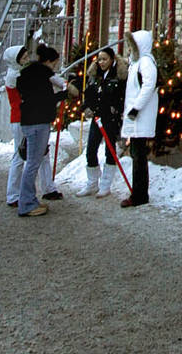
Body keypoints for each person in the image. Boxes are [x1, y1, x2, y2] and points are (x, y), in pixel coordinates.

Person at [16, 43, 69, 217]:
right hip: (38, 122)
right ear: (48, 61)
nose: (55, 68)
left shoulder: (28, 73)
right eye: (54, 64)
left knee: (32, 163)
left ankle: (30, 199)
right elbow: (46, 100)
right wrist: (63, 95)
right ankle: (26, 203)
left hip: (29, 121)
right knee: (32, 163)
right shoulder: (41, 76)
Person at [79, 46, 126, 198]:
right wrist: (86, 108)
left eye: (105, 59)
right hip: (97, 118)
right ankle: (92, 183)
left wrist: (116, 110)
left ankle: (105, 184)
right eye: (99, 59)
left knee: (109, 150)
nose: (101, 62)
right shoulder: (95, 75)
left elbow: (122, 97)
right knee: (91, 149)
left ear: (112, 60)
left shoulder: (118, 76)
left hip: (110, 119)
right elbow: (88, 95)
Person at [120, 29, 158, 209]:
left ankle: (140, 194)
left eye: (131, 45)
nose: (128, 49)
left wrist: (136, 108)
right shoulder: (136, 63)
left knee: (139, 156)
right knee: (136, 154)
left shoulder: (146, 63)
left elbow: (148, 86)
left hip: (140, 115)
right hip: (136, 115)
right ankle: (138, 192)